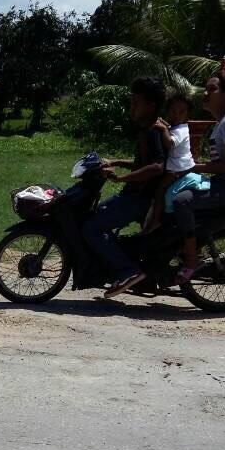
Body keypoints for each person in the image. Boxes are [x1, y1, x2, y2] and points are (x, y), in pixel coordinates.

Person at [171, 70, 225, 283]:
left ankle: (192, 259)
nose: (206, 93)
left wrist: (195, 168)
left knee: (182, 201)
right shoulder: (222, 123)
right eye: (206, 89)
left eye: (212, 89)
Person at [83, 77, 167, 298]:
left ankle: (128, 271)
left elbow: (157, 166)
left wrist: (122, 178)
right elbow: (143, 162)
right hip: (135, 195)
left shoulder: (154, 131)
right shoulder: (147, 129)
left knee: (92, 227)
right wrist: (117, 162)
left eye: (136, 103)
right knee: (97, 218)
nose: (132, 107)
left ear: (151, 106)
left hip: (139, 199)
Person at [145, 91, 207, 235]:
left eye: (181, 112)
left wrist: (163, 128)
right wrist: (165, 125)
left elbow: (170, 143)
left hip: (179, 168)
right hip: (178, 166)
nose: (176, 115)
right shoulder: (175, 127)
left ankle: (155, 220)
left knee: (159, 191)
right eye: (173, 111)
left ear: (187, 115)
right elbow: (169, 128)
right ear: (168, 111)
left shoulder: (182, 129)